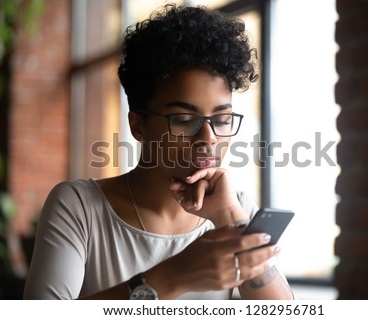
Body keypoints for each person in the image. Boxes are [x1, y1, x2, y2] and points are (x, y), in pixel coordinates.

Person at [23, 4, 294, 300]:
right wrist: (173, 276)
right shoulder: (80, 208)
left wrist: (230, 217)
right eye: (184, 120)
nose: (208, 138)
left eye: (221, 119)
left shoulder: (235, 207)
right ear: (138, 125)